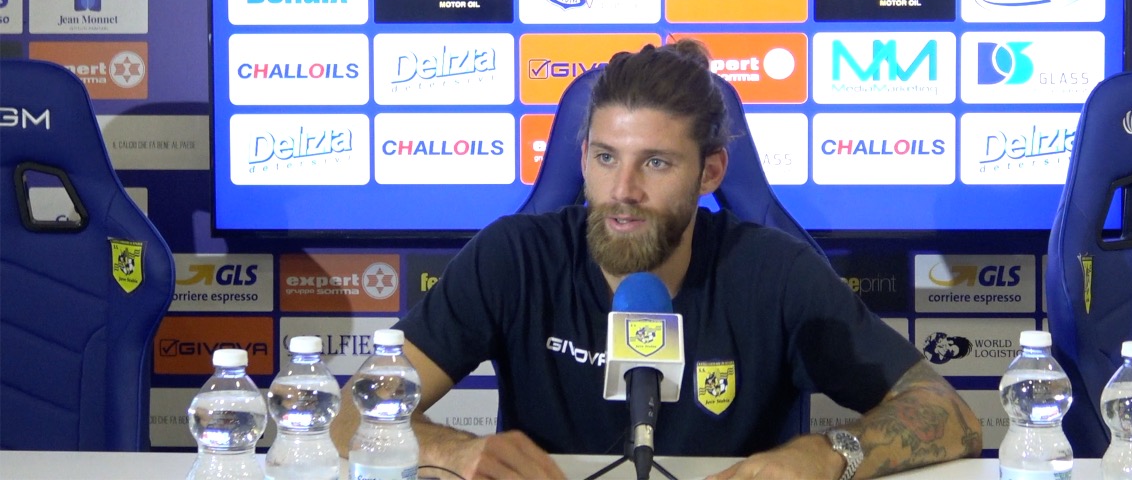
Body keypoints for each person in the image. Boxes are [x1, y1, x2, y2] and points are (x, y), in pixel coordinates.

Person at [331, 40, 982, 479]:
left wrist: (830, 453)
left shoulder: (775, 272)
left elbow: (949, 414)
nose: (623, 190)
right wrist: (457, 452)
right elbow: (349, 414)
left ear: (711, 172)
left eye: (657, 163)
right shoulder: (514, 256)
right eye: (605, 158)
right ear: (582, 158)